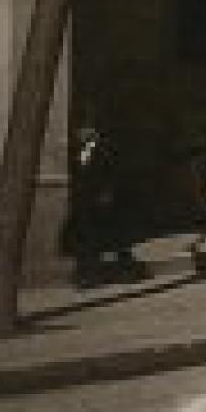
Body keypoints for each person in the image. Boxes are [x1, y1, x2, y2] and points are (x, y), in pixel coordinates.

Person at [62, 119, 148, 288]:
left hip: (106, 202)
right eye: (78, 131)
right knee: (89, 239)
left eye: (83, 130)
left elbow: (114, 173)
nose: (79, 134)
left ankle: (127, 271)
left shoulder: (105, 148)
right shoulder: (79, 151)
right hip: (85, 202)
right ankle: (90, 276)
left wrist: (107, 193)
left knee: (114, 239)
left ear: (92, 131)